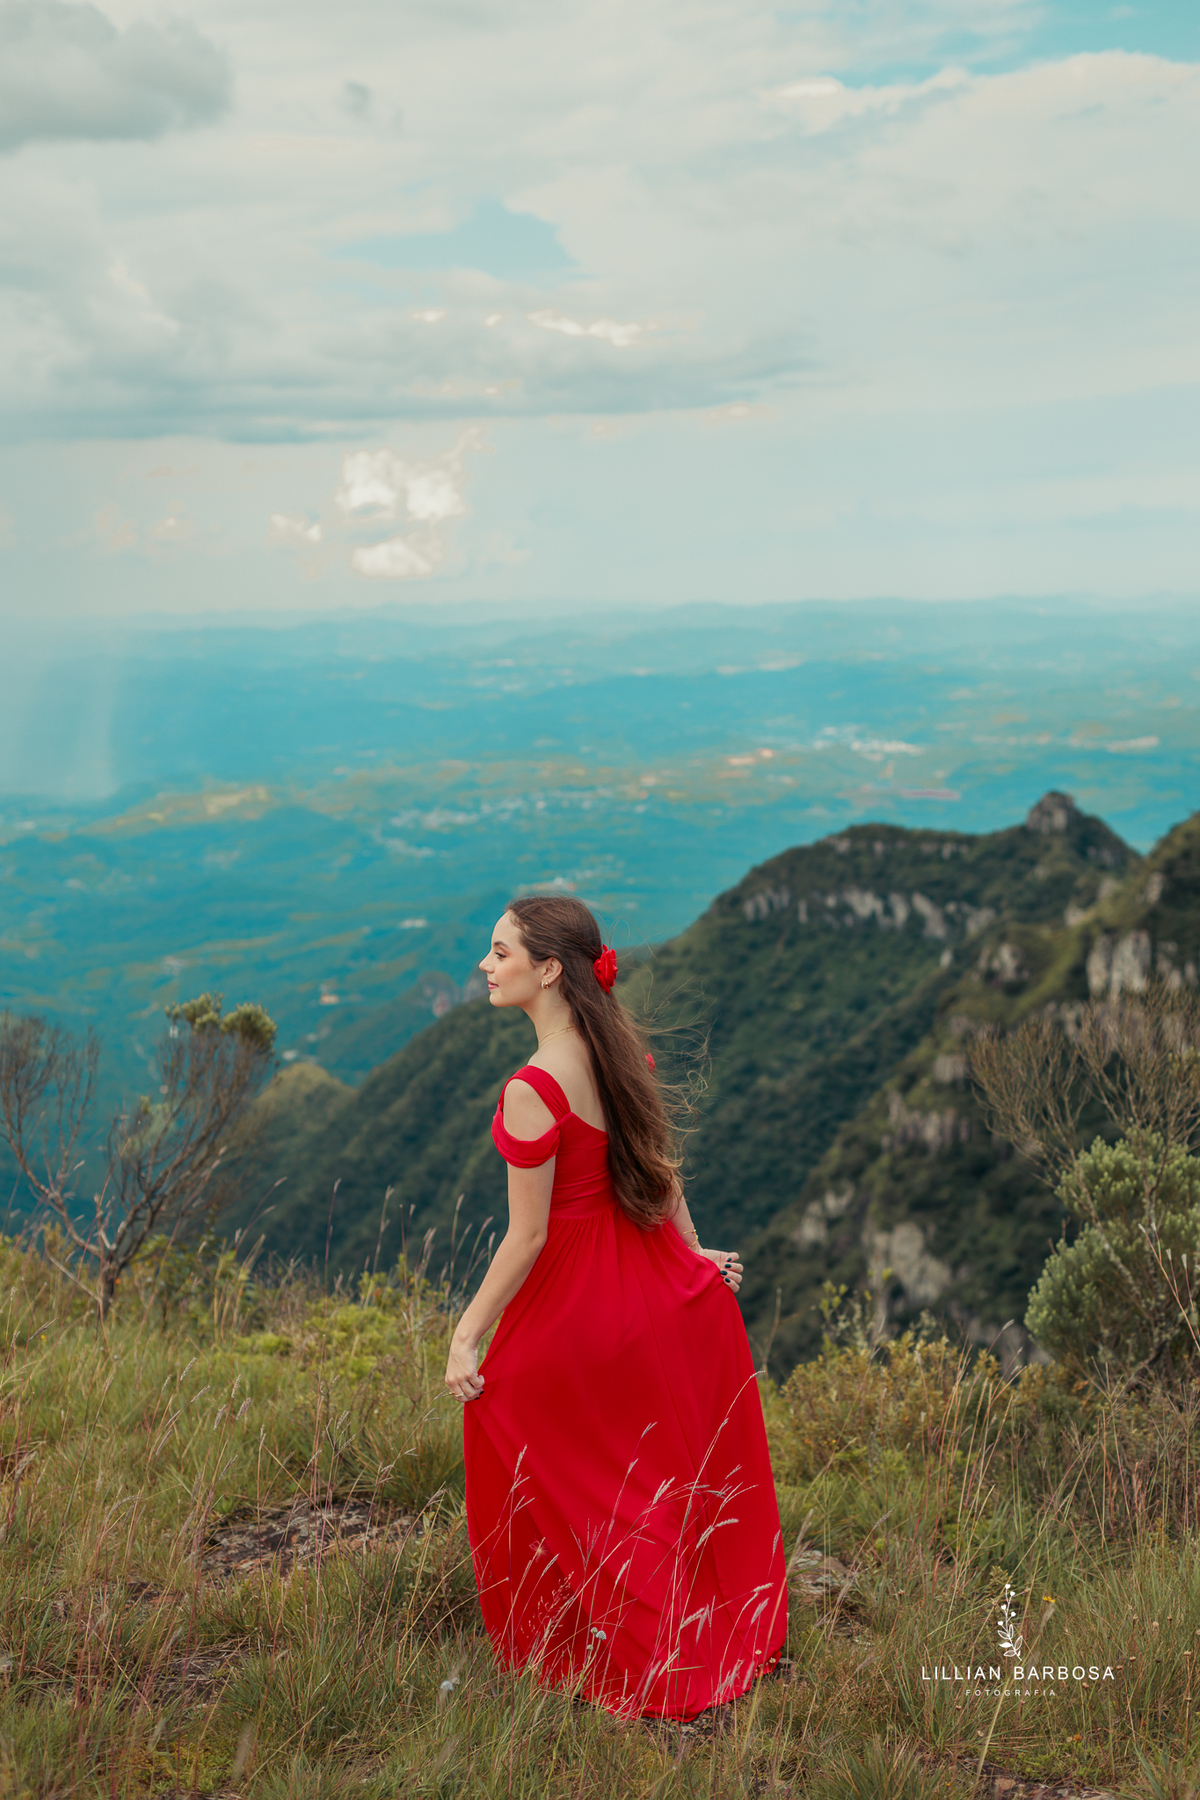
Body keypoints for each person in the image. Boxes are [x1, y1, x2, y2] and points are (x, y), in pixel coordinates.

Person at [444, 895, 787, 1721]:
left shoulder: (533, 1087)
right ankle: (692, 1625)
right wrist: (691, 1254)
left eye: (499, 952)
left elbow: (527, 1239)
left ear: (549, 969)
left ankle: (593, 1645)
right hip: (644, 1281)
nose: (486, 967)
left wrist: (466, 1333)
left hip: (580, 1299)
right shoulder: (616, 1050)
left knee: (519, 1424)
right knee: (644, 1475)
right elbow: (657, 1166)